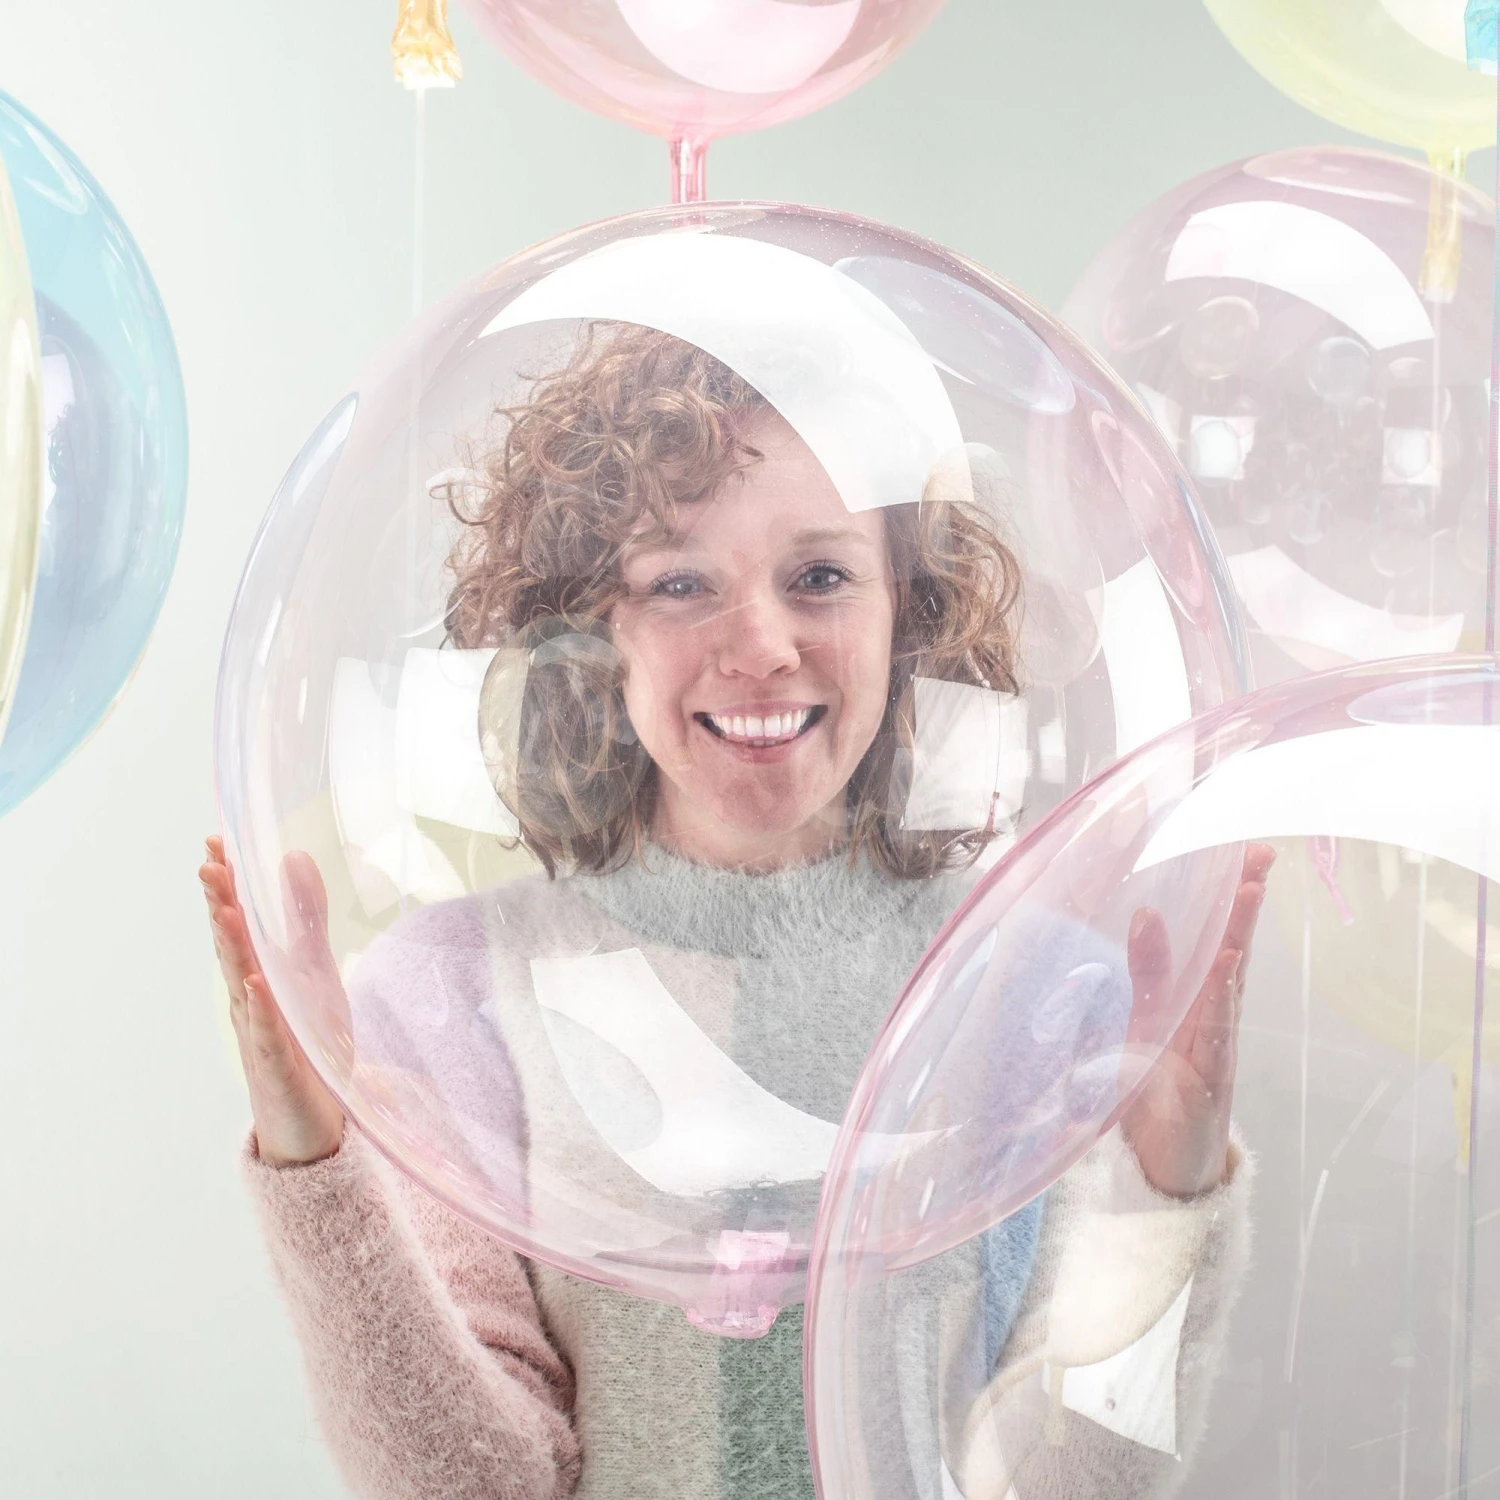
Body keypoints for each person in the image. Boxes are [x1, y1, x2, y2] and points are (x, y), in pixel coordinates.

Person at [201, 325, 1272, 1500]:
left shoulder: (1034, 991)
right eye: (679, 583)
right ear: (589, 629)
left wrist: (1163, 1200)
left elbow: (1055, 1485)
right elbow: (479, 1490)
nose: (760, 647)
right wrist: (319, 1168)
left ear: (908, 612)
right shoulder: (453, 996)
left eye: (820, 577)